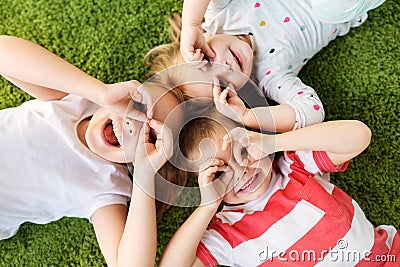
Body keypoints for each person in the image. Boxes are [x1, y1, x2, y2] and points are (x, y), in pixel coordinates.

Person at [158, 87, 399, 266]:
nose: (241, 171)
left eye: (242, 150)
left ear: (254, 136)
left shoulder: (295, 166)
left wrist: (274, 142)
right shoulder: (228, 233)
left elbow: (360, 136)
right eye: (220, 173)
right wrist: (206, 207)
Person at [0, 35, 186, 267]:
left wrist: (145, 177)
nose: (133, 123)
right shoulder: (77, 101)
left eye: (150, 136)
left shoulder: (106, 185)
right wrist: (99, 92)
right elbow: (3, 51)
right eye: (138, 105)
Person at [145, 0, 385, 132]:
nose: (226, 67)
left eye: (207, 61)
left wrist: (192, 25)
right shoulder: (270, 77)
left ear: (202, 38)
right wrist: (249, 116)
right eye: (222, 85)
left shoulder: (220, 15)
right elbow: (312, 111)